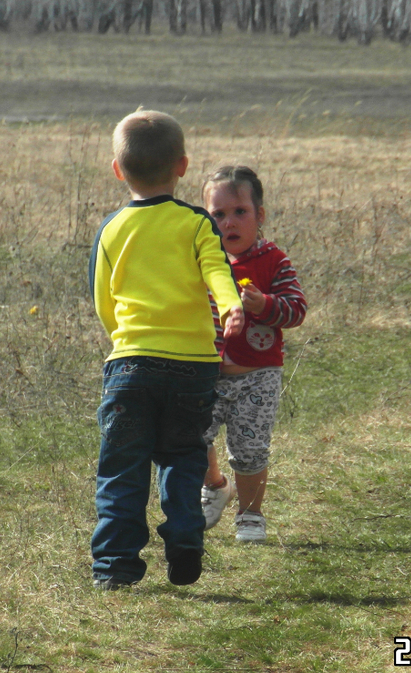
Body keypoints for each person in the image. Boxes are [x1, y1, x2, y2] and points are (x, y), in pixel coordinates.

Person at [89, 111, 244, 589]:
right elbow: (218, 270)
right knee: (182, 455)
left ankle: (115, 567)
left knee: (122, 465)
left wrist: (125, 338)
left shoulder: (112, 228)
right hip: (192, 367)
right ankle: (184, 537)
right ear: (182, 165)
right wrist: (231, 305)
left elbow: (103, 302)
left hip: (130, 363)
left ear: (118, 169)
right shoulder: (196, 223)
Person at [200, 165, 307, 543]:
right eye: (218, 214)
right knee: (191, 436)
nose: (229, 222)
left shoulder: (272, 260)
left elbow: (297, 309)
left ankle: (250, 515)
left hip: (257, 374)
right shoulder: (203, 261)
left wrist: (265, 304)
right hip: (207, 372)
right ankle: (215, 485)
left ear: (259, 216)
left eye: (240, 212)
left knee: (249, 448)